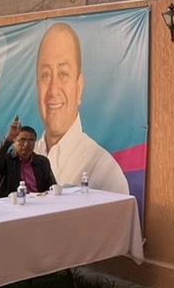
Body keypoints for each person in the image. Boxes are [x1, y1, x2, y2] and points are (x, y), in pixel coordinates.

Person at [33, 21, 129, 193]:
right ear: (37, 86)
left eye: (63, 74)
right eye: (46, 75)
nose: (53, 90)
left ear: (79, 88)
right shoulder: (24, 158)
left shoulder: (105, 173)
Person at [0, 117, 56, 197]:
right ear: (14, 141)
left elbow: (52, 187)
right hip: (12, 202)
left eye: (31, 140)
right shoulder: (7, 160)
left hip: (38, 201)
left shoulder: (42, 162)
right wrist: (8, 139)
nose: (26, 144)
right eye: (22, 140)